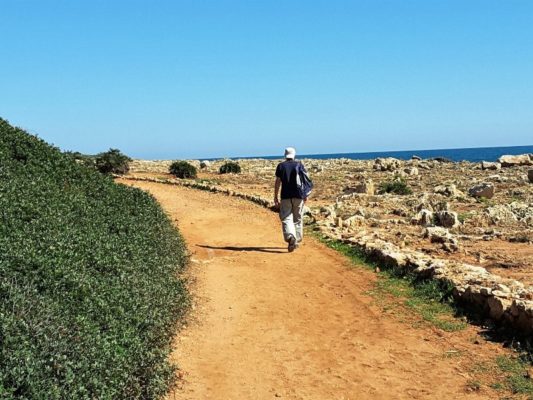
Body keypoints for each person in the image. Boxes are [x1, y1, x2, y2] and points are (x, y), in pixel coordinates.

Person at [274, 147, 308, 252]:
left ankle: (290, 237)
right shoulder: (299, 165)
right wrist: (305, 194)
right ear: (294, 154)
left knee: (286, 217)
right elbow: (305, 181)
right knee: (298, 218)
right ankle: (296, 240)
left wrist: (275, 196)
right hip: (299, 195)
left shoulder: (281, 166)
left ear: (285, 155)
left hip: (286, 196)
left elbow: (278, 182)